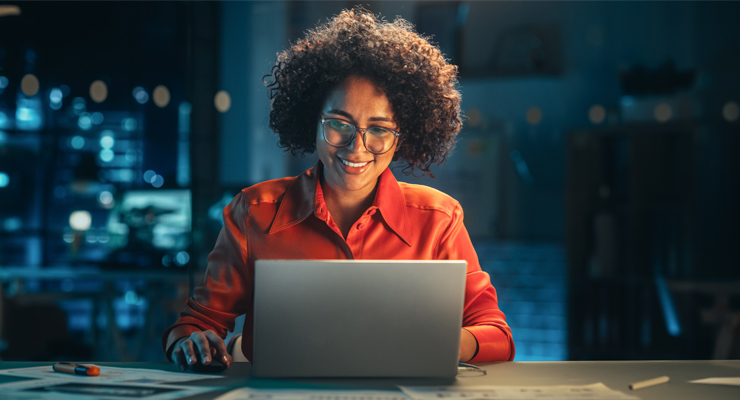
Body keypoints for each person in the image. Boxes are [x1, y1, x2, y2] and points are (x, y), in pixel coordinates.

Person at [163, 8, 515, 372]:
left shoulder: (439, 219)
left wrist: (448, 343)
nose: (356, 147)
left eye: (378, 129)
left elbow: (497, 335)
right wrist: (192, 341)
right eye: (338, 124)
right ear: (312, 122)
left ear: (402, 137)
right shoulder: (254, 212)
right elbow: (194, 324)